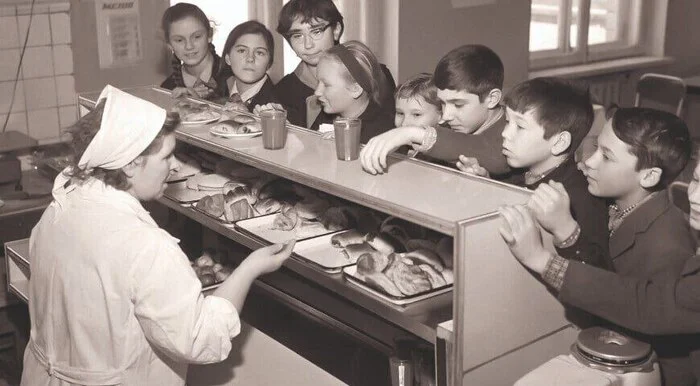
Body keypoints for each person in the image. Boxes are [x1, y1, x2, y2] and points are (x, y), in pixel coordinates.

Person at [21, 85, 294, 385]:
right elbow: (201, 339)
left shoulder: (60, 208)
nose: (175, 165)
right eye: (167, 157)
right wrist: (250, 268)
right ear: (129, 164)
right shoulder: (145, 245)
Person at [526, 107, 696, 385]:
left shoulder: (668, 245)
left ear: (649, 176)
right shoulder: (614, 205)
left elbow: (645, 328)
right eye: (595, 148)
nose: (589, 162)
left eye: (606, 156)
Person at [359, 44, 518, 182]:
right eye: (442, 103)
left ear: (492, 98)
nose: (446, 117)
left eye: (458, 104)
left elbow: (496, 155)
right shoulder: (456, 124)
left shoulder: (514, 129)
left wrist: (410, 133)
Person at [274, 0, 396, 127]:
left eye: (316, 31)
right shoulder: (283, 91)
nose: (308, 45)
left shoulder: (375, 74)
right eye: (298, 36)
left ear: (336, 30)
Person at [310, 40, 394, 144]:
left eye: (326, 85)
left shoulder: (381, 135)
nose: (317, 92)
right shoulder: (328, 114)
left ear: (356, 89)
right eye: (318, 82)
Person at [160, 3, 229, 101]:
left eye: (197, 37)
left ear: (209, 35)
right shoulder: (168, 89)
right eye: (179, 40)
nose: (189, 46)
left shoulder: (233, 75)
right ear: (169, 44)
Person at [218, 20, 279, 113]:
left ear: (269, 63)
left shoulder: (280, 106)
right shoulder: (216, 91)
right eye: (242, 51)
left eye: (259, 53)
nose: (250, 58)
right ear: (228, 58)